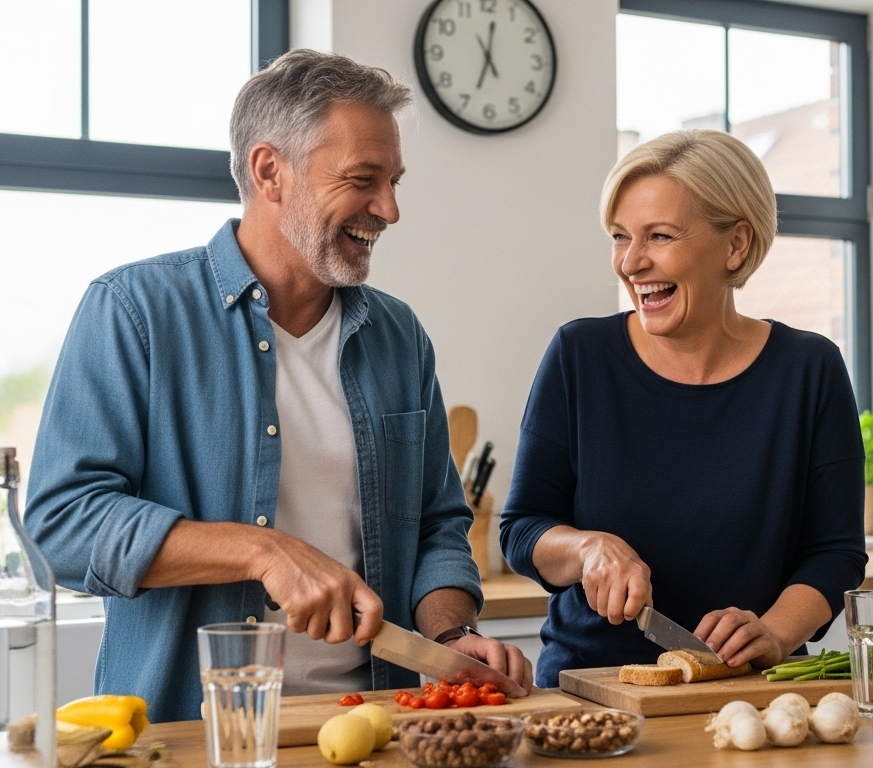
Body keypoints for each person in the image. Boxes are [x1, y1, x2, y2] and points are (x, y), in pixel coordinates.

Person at [26, 50, 531, 722]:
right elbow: (62, 525)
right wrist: (263, 551)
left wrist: (448, 632)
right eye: (363, 179)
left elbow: (440, 524)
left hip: (375, 723)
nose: (389, 209)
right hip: (196, 733)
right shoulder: (134, 311)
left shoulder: (398, 336)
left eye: (394, 181)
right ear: (270, 171)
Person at [500, 130, 868, 688]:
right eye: (620, 237)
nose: (631, 261)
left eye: (660, 236)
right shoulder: (580, 356)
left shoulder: (809, 370)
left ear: (736, 245)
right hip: (591, 691)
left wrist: (773, 632)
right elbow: (523, 530)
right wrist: (587, 548)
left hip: (743, 692)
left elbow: (835, 551)